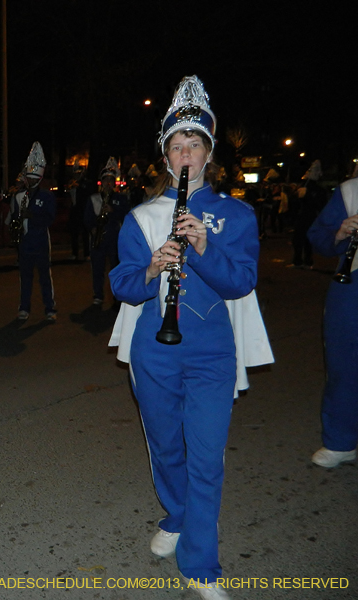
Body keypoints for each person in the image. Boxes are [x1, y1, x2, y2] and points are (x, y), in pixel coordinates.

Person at [108, 76, 273, 599]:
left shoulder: (236, 214)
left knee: (205, 456)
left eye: (194, 145)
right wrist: (153, 267)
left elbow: (241, 281)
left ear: (208, 153)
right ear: (166, 156)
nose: (185, 155)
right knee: (164, 447)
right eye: (177, 146)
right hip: (154, 350)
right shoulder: (142, 217)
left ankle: (201, 565)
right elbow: (122, 284)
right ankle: (178, 515)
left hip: (212, 352)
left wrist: (203, 246)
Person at [307, 166, 358, 468]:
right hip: (353, 287)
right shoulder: (350, 190)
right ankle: (340, 441)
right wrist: (340, 233)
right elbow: (318, 236)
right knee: (344, 364)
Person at [6, 142, 57, 321]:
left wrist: (32, 216)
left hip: (41, 240)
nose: (31, 181)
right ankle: (24, 308)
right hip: (25, 242)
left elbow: (50, 218)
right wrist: (15, 227)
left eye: (34, 179)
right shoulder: (19, 196)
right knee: (25, 277)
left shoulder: (47, 196)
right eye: (29, 178)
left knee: (45, 277)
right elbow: (14, 218)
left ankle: (50, 308)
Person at [84, 157, 130, 306]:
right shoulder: (94, 198)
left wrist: (113, 211)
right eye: (106, 180)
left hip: (115, 238)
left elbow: (127, 216)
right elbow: (87, 217)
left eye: (111, 180)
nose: (108, 183)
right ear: (101, 182)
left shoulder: (121, 198)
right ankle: (98, 295)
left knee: (116, 268)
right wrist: (92, 228)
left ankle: (117, 295)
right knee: (98, 269)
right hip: (99, 238)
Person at [288, 159, 326, 268]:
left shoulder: (315, 190)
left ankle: (301, 261)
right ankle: (305, 261)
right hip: (308, 217)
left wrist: (306, 196)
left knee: (300, 239)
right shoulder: (310, 189)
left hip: (307, 217)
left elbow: (320, 204)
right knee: (304, 240)